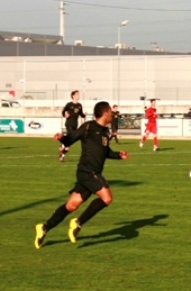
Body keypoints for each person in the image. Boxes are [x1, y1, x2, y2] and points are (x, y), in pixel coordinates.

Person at [36, 101, 130, 247]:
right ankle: (78, 223)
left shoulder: (105, 131)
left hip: (92, 173)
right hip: (87, 171)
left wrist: (118, 155)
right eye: (111, 111)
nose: (113, 114)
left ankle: (43, 228)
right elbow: (70, 139)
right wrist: (61, 138)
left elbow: (104, 152)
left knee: (71, 206)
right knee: (107, 197)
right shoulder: (88, 127)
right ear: (105, 113)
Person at [59, 90, 85, 162]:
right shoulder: (69, 104)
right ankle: (62, 152)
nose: (78, 95)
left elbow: (81, 114)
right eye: (77, 94)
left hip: (75, 126)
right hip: (69, 125)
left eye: (78, 94)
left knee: (69, 144)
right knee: (70, 143)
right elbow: (63, 111)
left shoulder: (79, 105)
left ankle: (62, 149)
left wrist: (84, 115)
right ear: (73, 96)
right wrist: (65, 115)